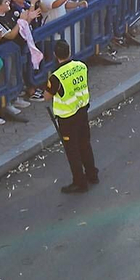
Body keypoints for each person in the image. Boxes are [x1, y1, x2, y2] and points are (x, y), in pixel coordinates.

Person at [44, 38, 99, 194]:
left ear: (55, 55)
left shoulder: (56, 76)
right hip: (82, 111)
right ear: (69, 52)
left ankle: (79, 182)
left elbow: (47, 96)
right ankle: (92, 174)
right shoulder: (81, 66)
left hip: (67, 117)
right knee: (85, 144)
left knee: (72, 150)